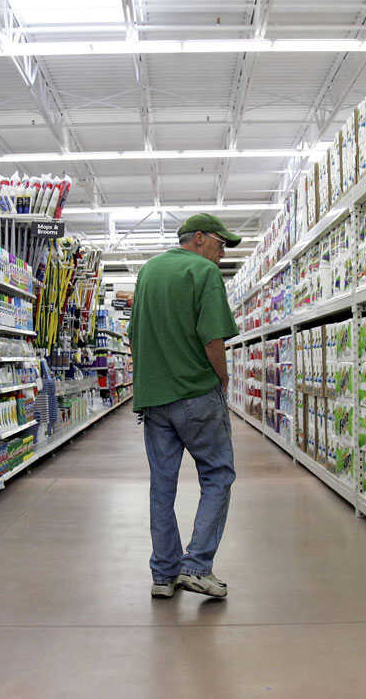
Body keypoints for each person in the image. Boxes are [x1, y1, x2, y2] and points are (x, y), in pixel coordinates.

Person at [127, 213, 241, 599]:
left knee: (162, 485)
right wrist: (222, 379)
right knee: (218, 475)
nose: (222, 253)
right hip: (195, 394)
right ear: (198, 238)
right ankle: (196, 565)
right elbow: (213, 338)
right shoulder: (204, 273)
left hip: (154, 398)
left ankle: (164, 573)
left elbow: (134, 335)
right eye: (220, 244)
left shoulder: (148, 273)